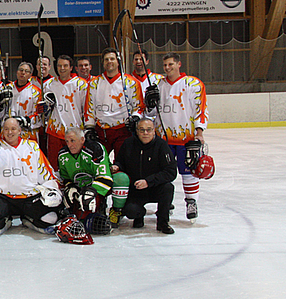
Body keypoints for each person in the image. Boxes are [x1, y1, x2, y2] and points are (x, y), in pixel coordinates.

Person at [0, 117, 64, 237]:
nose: (9, 132)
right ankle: (6, 221)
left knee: (51, 218)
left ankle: (28, 219)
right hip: (2, 196)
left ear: (19, 131)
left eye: (13, 129)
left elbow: (45, 173)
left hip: (29, 197)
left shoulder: (32, 147)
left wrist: (52, 191)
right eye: (6, 129)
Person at [155, 52, 208, 223]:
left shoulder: (193, 84)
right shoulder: (158, 85)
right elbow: (152, 112)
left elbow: (201, 109)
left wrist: (199, 132)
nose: (168, 68)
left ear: (179, 64)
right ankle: (165, 204)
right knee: (163, 173)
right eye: (165, 65)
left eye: (171, 64)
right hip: (164, 139)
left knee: (188, 171)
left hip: (186, 138)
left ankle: (191, 202)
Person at [58, 127, 129, 233]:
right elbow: (65, 178)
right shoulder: (63, 155)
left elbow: (105, 177)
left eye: (73, 140)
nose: (70, 145)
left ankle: (116, 211)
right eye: (67, 141)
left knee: (121, 179)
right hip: (80, 190)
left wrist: (92, 191)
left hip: (99, 187)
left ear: (82, 139)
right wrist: (70, 188)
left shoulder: (95, 149)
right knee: (82, 220)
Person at [112, 117, 177, 234]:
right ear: (136, 131)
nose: (145, 133)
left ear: (154, 131)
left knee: (168, 187)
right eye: (142, 130)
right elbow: (120, 161)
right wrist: (117, 167)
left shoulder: (161, 145)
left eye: (148, 130)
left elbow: (171, 171)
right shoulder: (128, 143)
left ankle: (163, 222)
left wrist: (148, 181)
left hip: (155, 187)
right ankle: (139, 216)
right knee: (130, 211)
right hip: (135, 189)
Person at [84, 48, 144, 156]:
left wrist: (135, 118)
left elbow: (139, 107)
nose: (109, 61)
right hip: (101, 131)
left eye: (112, 59)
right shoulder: (94, 83)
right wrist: (89, 128)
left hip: (122, 130)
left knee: (122, 164)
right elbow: (89, 108)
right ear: (103, 63)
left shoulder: (131, 82)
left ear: (118, 61)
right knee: (99, 163)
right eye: (106, 59)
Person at [43, 55, 88, 170]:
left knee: (75, 163)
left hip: (75, 129)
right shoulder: (48, 84)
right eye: (59, 65)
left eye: (65, 66)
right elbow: (44, 109)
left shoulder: (81, 84)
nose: (62, 68)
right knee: (54, 163)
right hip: (55, 130)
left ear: (71, 67)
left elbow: (86, 108)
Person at [5, 62, 42, 141]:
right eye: (21, 70)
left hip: (28, 133)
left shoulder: (36, 92)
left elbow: (39, 116)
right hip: (9, 132)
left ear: (30, 75)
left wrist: (24, 120)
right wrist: (0, 105)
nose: (23, 73)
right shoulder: (7, 88)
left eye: (26, 71)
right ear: (17, 72)